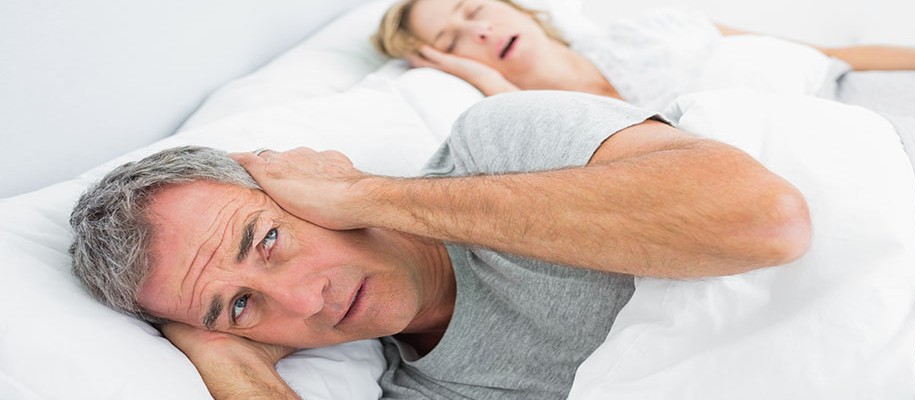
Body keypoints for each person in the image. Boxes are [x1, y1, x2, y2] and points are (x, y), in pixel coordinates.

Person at [69, 91, 812, 399]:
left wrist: (368, 193)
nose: (304, 299)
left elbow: (766, 221)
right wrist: (229, 361)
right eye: (238, 303)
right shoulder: (425, 392)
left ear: (298, 186)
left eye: (268, 240)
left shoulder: (501, 141)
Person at [372, 0, 915, 113]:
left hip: (857, 100)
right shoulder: (529, 120)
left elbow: (819, 53)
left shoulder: (659, 28)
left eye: (474, 9)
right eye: (450, 42)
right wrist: (480, 80)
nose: (474, 34)